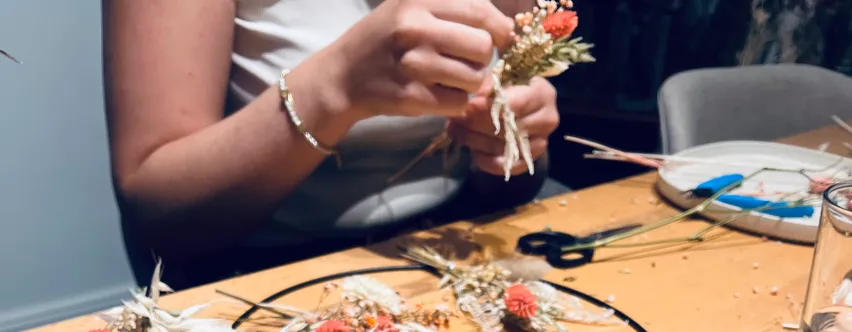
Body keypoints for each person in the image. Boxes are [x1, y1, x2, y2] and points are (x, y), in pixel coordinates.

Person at [102, 0, 564, 289]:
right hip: (259, 282)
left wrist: (514, 147)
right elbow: (159, 218)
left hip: (460, 261)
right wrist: (334, 88)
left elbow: (511, 185)